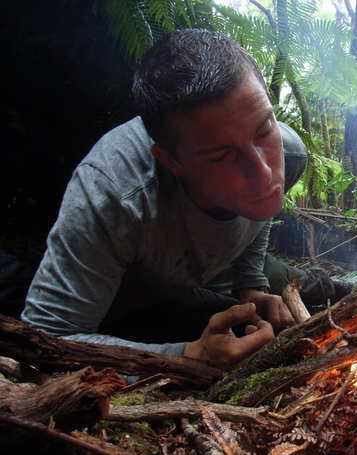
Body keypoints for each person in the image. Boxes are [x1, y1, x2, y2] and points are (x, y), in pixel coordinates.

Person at [20, 29, 309, 368]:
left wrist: (250, 285)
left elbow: (262, 207)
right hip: (118, 302)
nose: (263, 173)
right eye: (222, 156)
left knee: (297, 288)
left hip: (195, 275)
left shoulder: (289, 155)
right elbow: (47, 336)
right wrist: (186, 356)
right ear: (171, 161)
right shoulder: (115, 196)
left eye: (263, 130)